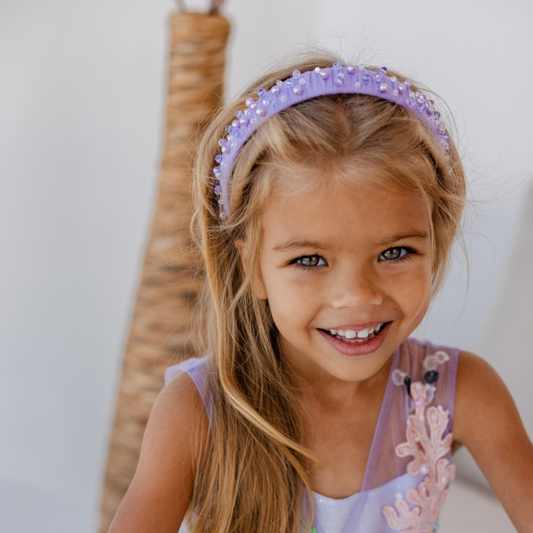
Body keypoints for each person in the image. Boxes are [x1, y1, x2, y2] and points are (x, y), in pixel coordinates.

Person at [108, 53, 533, 533]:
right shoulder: (194, 413)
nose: (355, 296)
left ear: (436, 239)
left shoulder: (463, 394)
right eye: (309, 260)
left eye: (395, 253)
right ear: (252, 265)